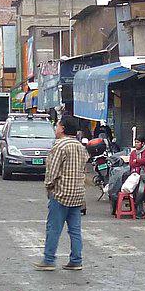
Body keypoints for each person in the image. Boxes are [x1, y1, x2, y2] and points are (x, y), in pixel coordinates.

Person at [35, 114, 89, 271]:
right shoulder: (80, 147)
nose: (56, 128)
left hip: (61, 193)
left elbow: (52, 172)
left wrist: (48, 187)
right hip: (77, 194)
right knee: (75, 230)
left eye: (57, 125)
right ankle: (76, 259)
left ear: (63, 128)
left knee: (53, 228)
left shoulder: (59, 146)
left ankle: (49, 259)